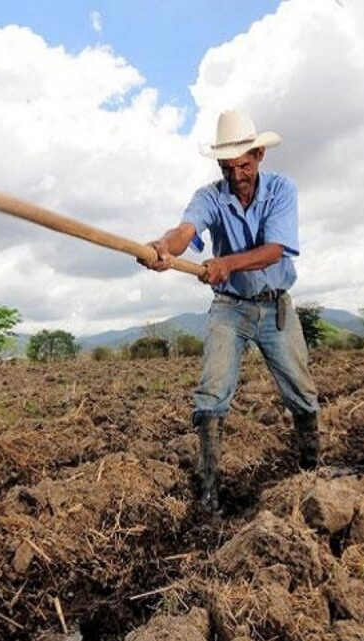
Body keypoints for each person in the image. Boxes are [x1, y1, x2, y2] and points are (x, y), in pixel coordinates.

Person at [141, 109, 320, 512]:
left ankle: (312, 470)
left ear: (259, 156)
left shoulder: (281, 190)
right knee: (212, 391)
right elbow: (185, 231)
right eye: (228, 167)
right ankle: (209, 492)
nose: (236, 175)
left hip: (275, 308)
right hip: (230, 308)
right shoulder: (209, 196)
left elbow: (275, 250)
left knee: (302, 391)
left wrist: (226, 264)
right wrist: (164, 248)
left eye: (243, 165)